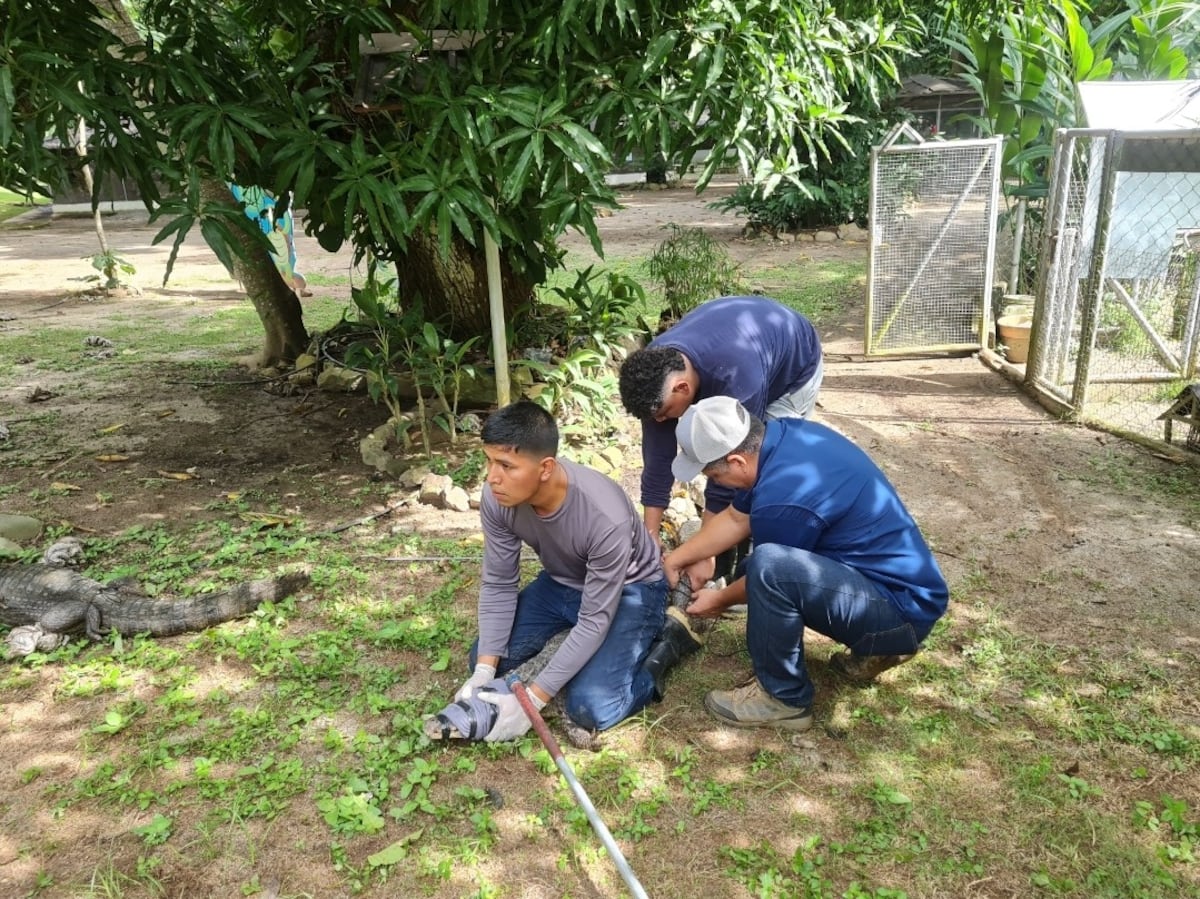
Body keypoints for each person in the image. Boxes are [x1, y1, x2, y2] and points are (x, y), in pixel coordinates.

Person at [661, 396, 949, 732]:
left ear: (736, 461)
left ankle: (782, 698)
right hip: (906, 593)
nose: (714, 483)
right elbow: (738, 519)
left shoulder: (783, 496)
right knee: (759, 566)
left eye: (713, 475)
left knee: (765, 566)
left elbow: (772, 575)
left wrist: (718, 600)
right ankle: (881, 647)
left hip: (900, 611)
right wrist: (677, 558)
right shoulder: (786, 438)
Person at [448, 401, 697, 743]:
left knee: (593, 708)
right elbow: (499, 581)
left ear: (546, 468)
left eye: (506, 465)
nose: (492, 477)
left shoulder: (603, 515)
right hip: (562, 581)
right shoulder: (498, 497)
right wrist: (483, 671)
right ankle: (571, 646)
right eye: (489, 461)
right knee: (486, 655)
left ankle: (667, 645)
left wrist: (533, 702)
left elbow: (595, 618)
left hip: (631, 588)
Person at [618, 295, 823, 579]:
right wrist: (650, 535)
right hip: (737, 343)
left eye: (664, 414)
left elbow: (728, 466)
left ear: (682, 388)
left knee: (761, 466)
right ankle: (723, 553)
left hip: (792, 369)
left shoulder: (737, 376)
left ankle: (754, 561)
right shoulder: (653, 376)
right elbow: (657, 459)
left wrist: (705, 552)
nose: (661, 422)